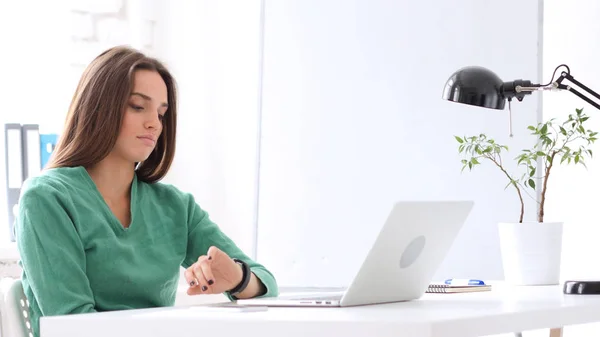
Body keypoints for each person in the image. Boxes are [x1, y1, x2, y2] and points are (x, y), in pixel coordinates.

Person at [15, 45, 278, 337]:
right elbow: (73, 325)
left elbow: (266, 285)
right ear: (99, 107)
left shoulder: (176, 207)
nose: (154, 123)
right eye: (138, 106)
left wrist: (237, 279)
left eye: (161, 113)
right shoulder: (47, 198)